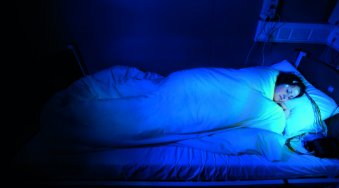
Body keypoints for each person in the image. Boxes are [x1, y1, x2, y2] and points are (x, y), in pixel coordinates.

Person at [40, 66, 306, 150]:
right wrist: (279, 115)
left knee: (144, 104)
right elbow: (274, 130)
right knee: (146, 112)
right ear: (279, 81)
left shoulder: (263, 99)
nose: (286, 97)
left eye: (291, 97)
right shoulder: (259, 82)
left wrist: (280, 111)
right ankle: (73, 118)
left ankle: (79, 112)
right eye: (288, 90)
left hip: (184, 85)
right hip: (183, 89)